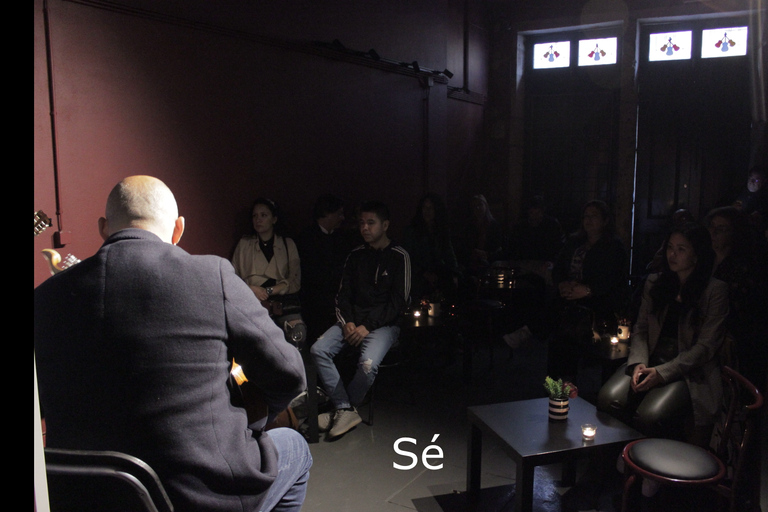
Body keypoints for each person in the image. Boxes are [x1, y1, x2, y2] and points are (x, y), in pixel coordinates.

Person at [34, 176, 312, 512]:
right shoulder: (213, 275)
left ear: (103, 228)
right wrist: (254, 421)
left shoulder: (45, 298)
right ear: (178, 230)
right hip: (198, 495)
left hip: (83, 495)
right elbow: (289, 375)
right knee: (296, 446)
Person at [598, 222, 728, 446]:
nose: (672, 255)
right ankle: (614, 459)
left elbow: (705, 347)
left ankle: (647, 465)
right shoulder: (655, 282)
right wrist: (638, 361)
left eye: (681, 249)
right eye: (670, 247)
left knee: (649, 415)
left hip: (686, 369)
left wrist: (661, 373)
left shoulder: (714, 290)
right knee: (607, 399)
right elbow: (640, 329)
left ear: (696, 255)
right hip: (650, 356)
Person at [309, 200, 411, 439]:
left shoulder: (399, 256)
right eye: (362, 223)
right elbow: (342, 295)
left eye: (371, 223)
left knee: (367, 364)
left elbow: (399, 303)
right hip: (352, 322)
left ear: (385, 225)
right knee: (318, 349)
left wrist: (368, 326)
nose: (365, 228)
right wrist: (347, 323)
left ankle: (342, 409)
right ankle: (345, 408)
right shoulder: (355, 255)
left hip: (384, 326)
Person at [705, 206, 768, 392]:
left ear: (734, 232)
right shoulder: (704, 260)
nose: (714, 232)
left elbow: (744, 310)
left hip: (735, 340)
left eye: (721, 228)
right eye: (712, 226)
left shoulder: (744, 267)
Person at [232, 197, 306, 346]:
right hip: (253, 302)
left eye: (263, 215)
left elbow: (295, 280)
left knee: (298, 333)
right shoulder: (244, 244)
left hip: (283, 303)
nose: (258, 220)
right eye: (255, 216)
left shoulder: (287, 244)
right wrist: (251, 289)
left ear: (274, 219)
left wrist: (270, 290)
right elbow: (233, 276)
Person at [297, 194, 355, 343]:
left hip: (338, 299)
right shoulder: (306, 238)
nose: (342, 218)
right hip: (315, 302)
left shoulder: (341, 238)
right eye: (339, 214)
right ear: (327, 213)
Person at [401, 193, 460, 304]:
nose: (427, 211)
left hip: (438, 272)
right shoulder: (412, 231)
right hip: (418, 275)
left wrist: (454, 273)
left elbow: (449, 253)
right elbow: (408, 257)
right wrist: (424, 273)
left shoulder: (441, 231)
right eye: (424, 208)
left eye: (430, 208)